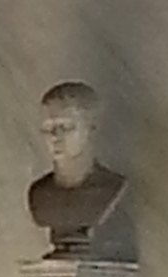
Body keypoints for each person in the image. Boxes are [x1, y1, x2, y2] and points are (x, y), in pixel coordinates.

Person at [28, 81, 128, 256]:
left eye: (65, 127)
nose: (55, 138)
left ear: (91, 128)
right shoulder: (39, 193)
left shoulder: (110, 187)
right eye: (48, 129)